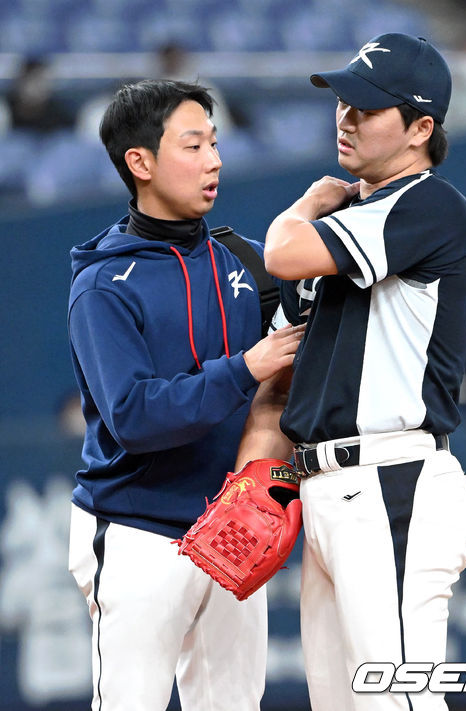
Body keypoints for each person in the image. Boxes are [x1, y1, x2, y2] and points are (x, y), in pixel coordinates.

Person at [250, 33, 466, 711]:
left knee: (399, 700)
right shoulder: (350, 218)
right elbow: (284, 358)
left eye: (368, 106)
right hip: (328, 490)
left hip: (392, 482)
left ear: (421, 129)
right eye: (342, 100)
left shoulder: (428, 205)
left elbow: (281, 252)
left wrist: (305, 206)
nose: (346, 115)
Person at [67, 79, 304, 711]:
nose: (214, 160)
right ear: (139, 163)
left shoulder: (247, 262)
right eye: (193, 144)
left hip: (234, 529)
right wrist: (247, 366)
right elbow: (136, 418)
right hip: (139, 527)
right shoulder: (103, 285)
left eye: (215, 143)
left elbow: (288, 383)